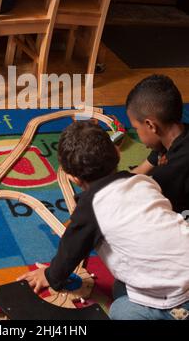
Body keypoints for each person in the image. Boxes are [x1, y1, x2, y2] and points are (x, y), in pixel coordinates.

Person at [18, 121, 189, 320]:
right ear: (118, 153)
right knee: (120, 287)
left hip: (179, 297)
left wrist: (50, 276)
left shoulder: (92, 207)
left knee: (120, 311)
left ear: (73, 178)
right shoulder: (144, 182)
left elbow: (70, 250)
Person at [126, 74, 189, 213]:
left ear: (150, 125)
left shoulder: (168, 175)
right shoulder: (171, 139)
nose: (137, 133)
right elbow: (139, 171)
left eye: (136, 128)